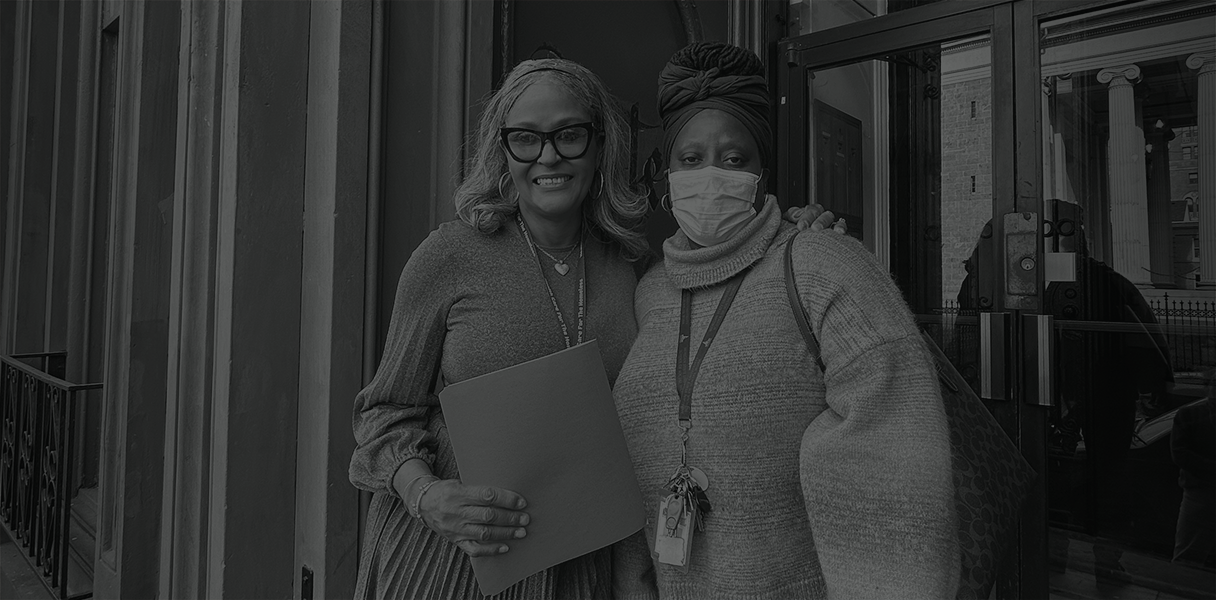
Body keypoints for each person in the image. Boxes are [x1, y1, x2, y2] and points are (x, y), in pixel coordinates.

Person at [348, 56, 841, 600]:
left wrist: (793, 233)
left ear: (601, 145)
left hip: (583, 561)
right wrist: (426, 496)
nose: (549, 155)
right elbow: (383, 412)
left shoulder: (632, 267)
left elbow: (722, 291)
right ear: (502, 150)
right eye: (526, 139)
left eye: (570, 135)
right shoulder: (449, 256)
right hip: (459, 559)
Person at [611, 43, 959, 599]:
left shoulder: (823, 265)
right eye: (691, 159)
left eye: (733, 159)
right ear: (667, 173)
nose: (710, 176)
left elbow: (897, 467)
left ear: (761, 172)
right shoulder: (650, 290)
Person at [1171, 369, 1215, 567]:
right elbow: (1180, 454)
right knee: (1187, 557)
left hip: (1199, 491)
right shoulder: (1189, 414)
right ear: (1206, 387)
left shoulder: (1189, 414)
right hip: (1200, 492)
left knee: (1188, 555)